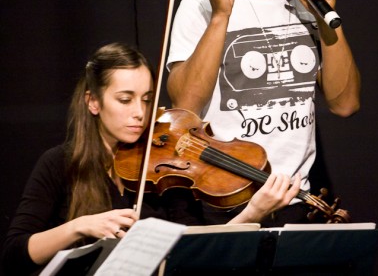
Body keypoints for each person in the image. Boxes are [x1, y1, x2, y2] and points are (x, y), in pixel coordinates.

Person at [1, 42, 300, 275]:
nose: (140, 113)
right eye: (125, 99)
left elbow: (198, 252)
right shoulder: (59, 163)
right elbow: (14, 255)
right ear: (93, 101)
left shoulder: (163, 168)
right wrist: (80, 226)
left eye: (147, 99)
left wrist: (253, 214)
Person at [166, 0, 361, 226]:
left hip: (295, 201)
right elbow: (186, 107)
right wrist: (219, 18)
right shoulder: (200, 5)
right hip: (225, 199)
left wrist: (328, 18)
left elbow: (345, 104)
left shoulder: (308, 9)